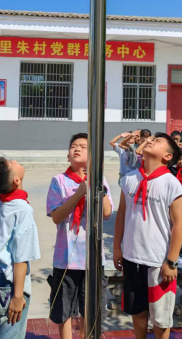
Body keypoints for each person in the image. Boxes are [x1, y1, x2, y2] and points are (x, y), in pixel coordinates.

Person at [114, 134, 182, 339]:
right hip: (131, 257)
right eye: (151, 139)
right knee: (138, 313)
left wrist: (171, 261)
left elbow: (179, 224)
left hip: (158, 261)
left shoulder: (172, 184)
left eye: (158, 141)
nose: (151, 141)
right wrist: (117, 247)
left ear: (167, 156)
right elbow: (122, 214)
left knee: (160, 319)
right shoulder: (129, 179)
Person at [46, 133, 113, 339]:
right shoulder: (59, 181)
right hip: (65, 258)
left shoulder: (100, 180)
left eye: (83, 147)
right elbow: (57, 216)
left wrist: (96, 186)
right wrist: (79, 193)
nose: (77, 149)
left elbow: (107, 212)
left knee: (89, 308)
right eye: (74, 146)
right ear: (68, 156)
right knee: (63, 309)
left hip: (92, 258)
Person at [0, 157, 41, 339]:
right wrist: (18, 296)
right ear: (16, 180)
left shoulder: (2, 201)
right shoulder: (22, 209)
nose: (15, 161)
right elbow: (21, 257)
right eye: (12, 163)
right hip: (10, 283)